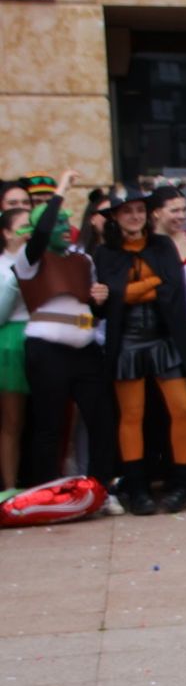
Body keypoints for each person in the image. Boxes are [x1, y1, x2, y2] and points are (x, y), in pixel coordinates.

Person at [95, 188, 186, 513]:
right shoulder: (105, 253)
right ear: (116, 218)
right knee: (132, 415)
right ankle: (138, 488)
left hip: (166, 337)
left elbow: (171, 286)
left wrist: (125, 292)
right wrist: (145, 286)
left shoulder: (162, 246)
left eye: (139, 210)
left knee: (183, 409)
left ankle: (182, 483)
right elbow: (109, 297)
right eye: (126, 211)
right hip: (127, 340)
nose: (134, 216)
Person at [13, 172, 117, 488]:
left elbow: (92, 310)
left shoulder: (83, 259)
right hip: (47, 351)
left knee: (101, 420)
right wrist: (62, 189)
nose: (63, 228)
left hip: (85, 349)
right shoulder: (29, 258)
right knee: (49, 424)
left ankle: (101, 485)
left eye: (65, 222)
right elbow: (42, 231)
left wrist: (101, 300)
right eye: (56, 222)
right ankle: (46, 488)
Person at [0, 208, 31, 489]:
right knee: (12, 421)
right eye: (22, 227)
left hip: (42, 338)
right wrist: (15, 277)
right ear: (7, 233)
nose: (29, 232)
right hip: (11, 341)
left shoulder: (45, 260)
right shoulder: (3, 265)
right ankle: (10, 486)